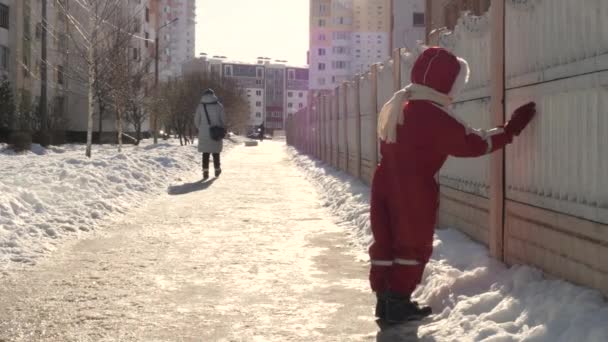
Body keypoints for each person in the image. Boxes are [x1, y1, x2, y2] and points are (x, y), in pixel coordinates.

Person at [370, 47, 537, 325]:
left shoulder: (402, 105)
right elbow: (472, 143)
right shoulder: (432, 114)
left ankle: (385, 300)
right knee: (412, 244)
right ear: (444, 81)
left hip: (385, 180)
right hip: (412, 189)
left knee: (386, 241)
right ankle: (398, 302)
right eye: (456, 83)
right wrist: (510, 130)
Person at [194, 88, 226, 181]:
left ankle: (205, 172)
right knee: (216, 152)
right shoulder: (219, 106)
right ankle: (217, 169)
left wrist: (200, 128)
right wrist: (222, 127)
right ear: (213, 95)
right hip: (216, 132)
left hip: (204, 132)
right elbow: (223, 119)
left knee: (205, 153)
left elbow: (196, 120)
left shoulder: (200, 106)